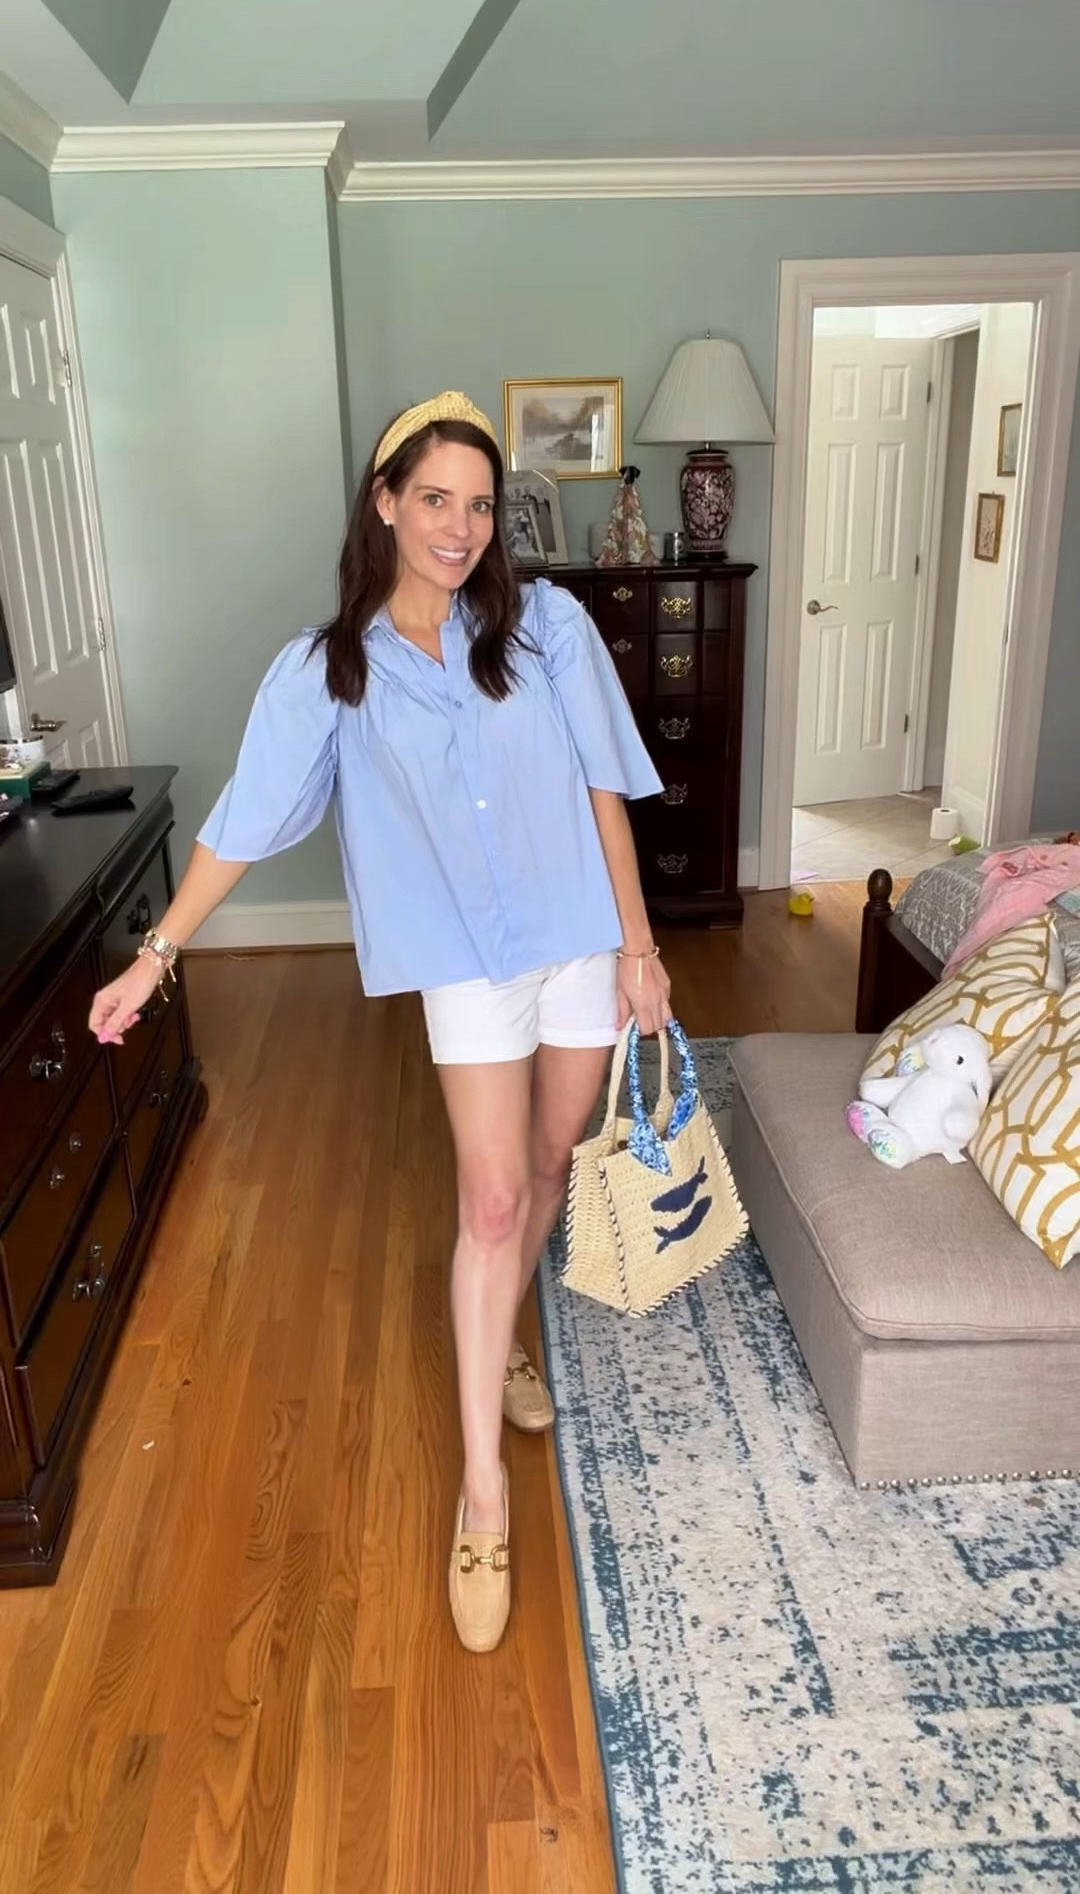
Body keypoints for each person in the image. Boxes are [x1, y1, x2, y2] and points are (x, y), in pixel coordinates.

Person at [89, 392, 670, 1654]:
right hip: (465, 965)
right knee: (495, 1199)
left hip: (579, 938)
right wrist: (157, 956)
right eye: (434, 501)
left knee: (557, 1161)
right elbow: (242, 819)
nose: (458, 527)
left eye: (478, 504)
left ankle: (505, 1328)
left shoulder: (548, 628)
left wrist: (640, 949)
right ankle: (482, 1496)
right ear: (386, 503)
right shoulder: (327, 671)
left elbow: (604, 790)